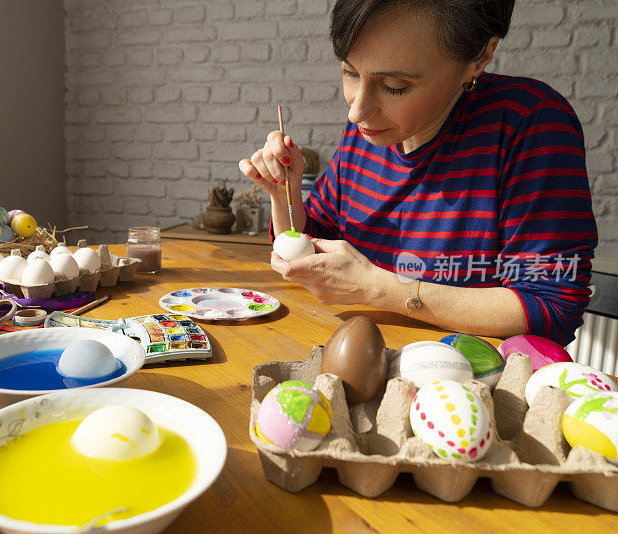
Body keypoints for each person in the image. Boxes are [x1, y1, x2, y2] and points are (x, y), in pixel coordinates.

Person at [238, 0, 597, 346]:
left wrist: (381, 289)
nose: (357, 111)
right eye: (350, 72)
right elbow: (315, 248)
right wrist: (282, 193)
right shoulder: (368, 135)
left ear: (479, 58)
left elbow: (550, 308)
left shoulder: (531, 124)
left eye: (396, 86)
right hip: (365, 359)